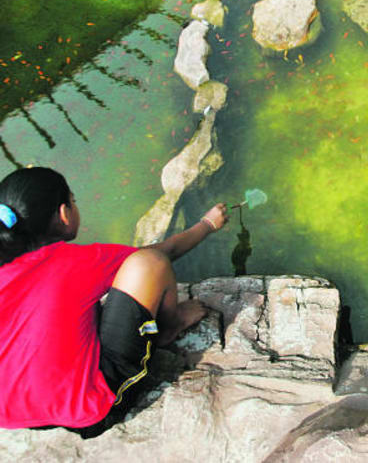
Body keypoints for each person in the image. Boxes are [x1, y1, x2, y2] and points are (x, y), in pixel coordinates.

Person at [0, 167, 229, 435]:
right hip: (89, 408)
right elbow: (166, 251)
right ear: (64, 214)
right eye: (73, 200)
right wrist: (208, 224)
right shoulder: (75, 262)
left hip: (15, 415)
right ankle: (170, 326)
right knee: (150, 264)